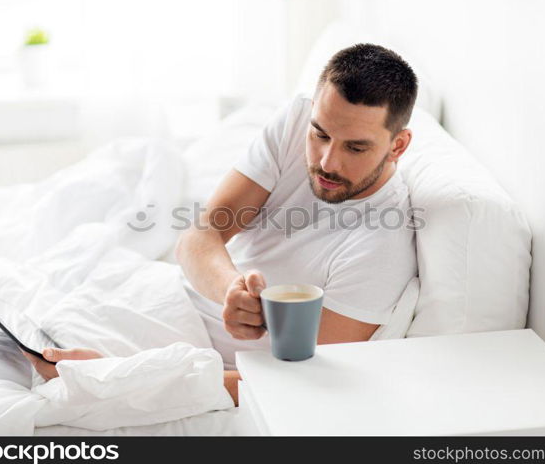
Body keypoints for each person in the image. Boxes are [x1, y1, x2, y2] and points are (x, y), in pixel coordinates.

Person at [24, 43, 419, 406]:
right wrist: (230, 289)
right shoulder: (298, 118)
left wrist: (117, 375)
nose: (328, 162)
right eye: (320, 135)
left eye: (356, 147)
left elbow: (299, 381)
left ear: (398, 145)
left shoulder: (381, 245)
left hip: (197, 364)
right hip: (166, 299)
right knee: (19, 336)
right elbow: (201, 234)